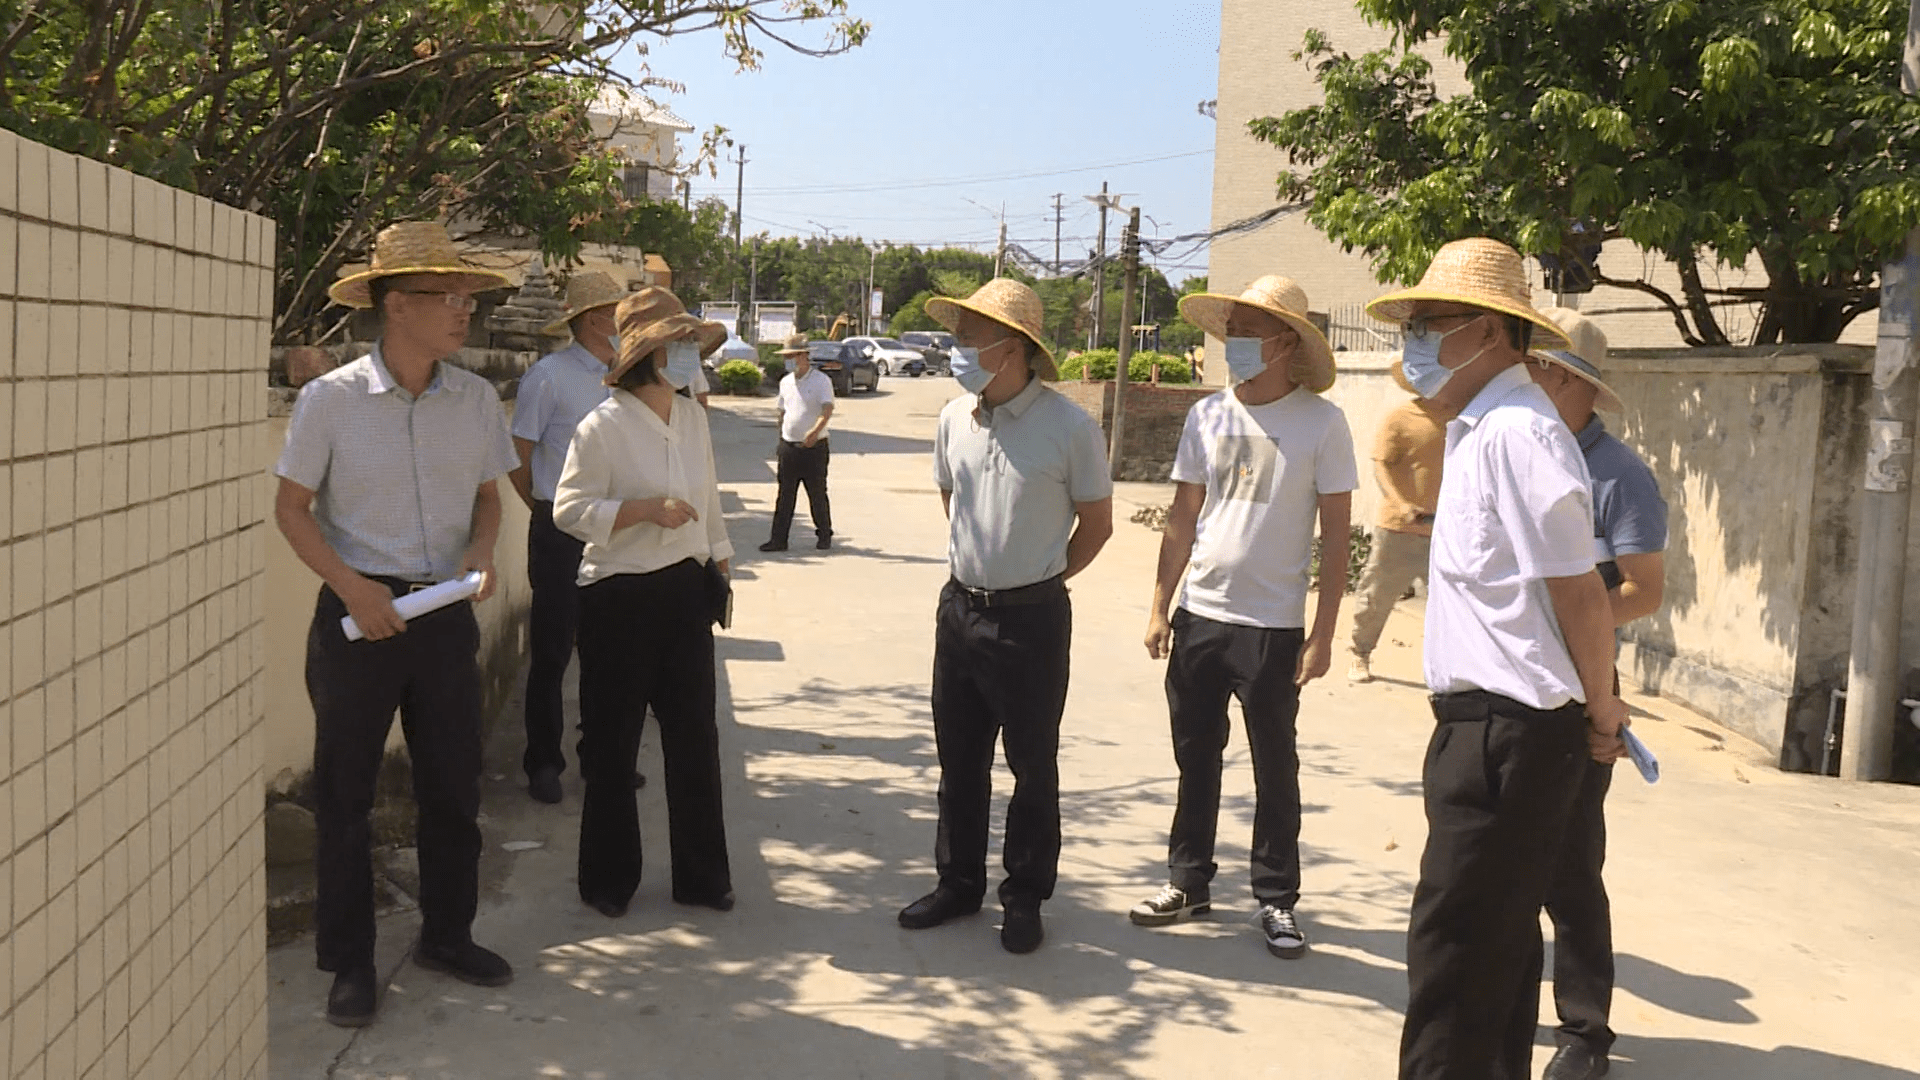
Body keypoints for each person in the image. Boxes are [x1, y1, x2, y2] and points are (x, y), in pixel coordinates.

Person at [1366, 238, 1629, 1080]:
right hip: (1483, 732)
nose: (1411, 342)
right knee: (1493, 963)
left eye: (1426, 324)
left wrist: (1604, 711)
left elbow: (1579, 593)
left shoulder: (1520, 434)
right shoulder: (1480, 430)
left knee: (1456, 965)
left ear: (1484, 331)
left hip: (1511, 736)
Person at [274, 221, 519, 1027]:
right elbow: (293, 510)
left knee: (452, 786)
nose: (463, 312)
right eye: (446, 298)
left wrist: (482, 554)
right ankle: (350, 962)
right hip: (358, 621)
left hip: (443, 617)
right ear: (395, 306)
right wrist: (353, 589)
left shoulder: (475, 398)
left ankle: (450, 934)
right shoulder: (330, 401)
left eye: (465, 298)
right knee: (345, 798)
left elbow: (489, 495)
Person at [1130, 275, 1357, 960]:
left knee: (1274, 766)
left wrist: (1322, 635)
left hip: (1273, 627)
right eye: (1233, 330)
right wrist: (1159, 605)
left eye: (1251, 332)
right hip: (1202, 615)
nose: (1237, 344)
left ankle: (1277, 898)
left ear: (1286, 342)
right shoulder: (1208, 416)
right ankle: (1188, 881)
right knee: (1195, 758)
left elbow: (1338, 537)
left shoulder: (1322, 423)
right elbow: (1183, 516)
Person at [897, 278, 1114, 954]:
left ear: (1012, 347)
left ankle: (1024, 895)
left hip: (1032, 622)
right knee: (959, 763)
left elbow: (1099, 525)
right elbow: (949, 498)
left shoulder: (1069, 426)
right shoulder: (952, 418)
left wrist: (1037, 575)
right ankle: (958, 883)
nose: (957, 350)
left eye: (970, 338)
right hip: (959, 612)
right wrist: (982, 572)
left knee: (1032, 765)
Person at [552, 286, 737, 918]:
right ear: (649, 354)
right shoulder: (600, 426)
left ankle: (703, 877)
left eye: (692, 343)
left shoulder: (691, 418)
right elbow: (569, 510)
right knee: (612, 746)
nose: (690, 355)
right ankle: (607, 881)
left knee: (695, 740)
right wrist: (640, 513)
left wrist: (720, 557)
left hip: (686, 592)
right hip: (618, 599)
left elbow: (708, 495)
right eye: (679, 344)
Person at [1527, 307, 1668, 1080]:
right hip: (1508, 679)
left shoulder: (1619, 474)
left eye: (1543, 368)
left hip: (1581, 681)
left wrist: (1568, 628)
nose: (1531, 380)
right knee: (1504, 855)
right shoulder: (1515, 454)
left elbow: (1643, 590)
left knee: (1571, 862)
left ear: (1573, 381)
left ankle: (1585, 1032)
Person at [508, 271, 620, 805]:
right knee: (553, 652)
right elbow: (518, 456)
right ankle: (544, 762)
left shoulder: (626, 374)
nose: (623, 320)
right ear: (595, 318)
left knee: (609, 652)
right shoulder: (548, 377)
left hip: (617, 526)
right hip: (560, 528)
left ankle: (601, 757)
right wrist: (545, 508)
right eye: (616, 311)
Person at [1347, 362, 1453, 683]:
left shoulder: (1465, 416)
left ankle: (1449, 667)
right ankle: (1359, 653)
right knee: (1377, 595)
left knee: (1451, 605)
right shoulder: (1401, 417)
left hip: (1447, 532)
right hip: (1399, 528)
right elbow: (1381, 465)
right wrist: (1400, 503)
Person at [759, 333, 836, 552]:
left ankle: (824, 535)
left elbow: (827, 409)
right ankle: (778, 539)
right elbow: (782, 412)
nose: (788, 360)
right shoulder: (786, 382)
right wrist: (781, 438)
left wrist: (814, 431)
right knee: (785, 495)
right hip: (789, 447)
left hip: (815, 447)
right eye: (786, 357)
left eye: (792, 356)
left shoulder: (821, 381)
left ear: (804, 356)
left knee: (817, 493)